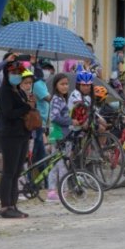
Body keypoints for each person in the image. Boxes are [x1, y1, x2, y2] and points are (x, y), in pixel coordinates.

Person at [0, 62, 34, 219]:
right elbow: (8, 113)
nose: (16, 76)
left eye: (19, 73)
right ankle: (6, 206)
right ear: (7, 74)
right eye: (13, 73)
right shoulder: (4, 91)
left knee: (17, 171)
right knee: (9, 172)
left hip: (22, 134)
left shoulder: (18, 90)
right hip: (10, 135)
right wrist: (26, 107)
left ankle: (13, 204)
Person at [46, 73, 72, 203]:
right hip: (59, 135)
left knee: (56, 164)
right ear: (56, 85)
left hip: (59, 134)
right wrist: (70, 121)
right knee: (61, 164)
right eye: (62, 84)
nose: (65, 86)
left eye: (66, 84)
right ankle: (61, 190)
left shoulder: (61, 99)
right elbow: (54, 117)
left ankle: (53, 191)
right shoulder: (56, 99)